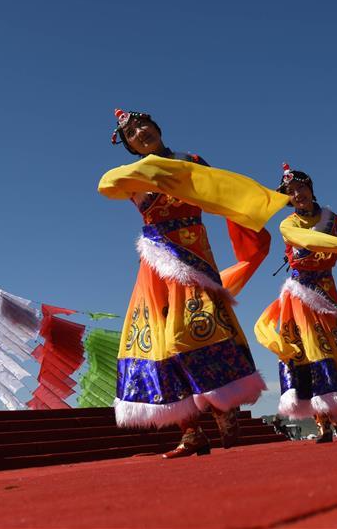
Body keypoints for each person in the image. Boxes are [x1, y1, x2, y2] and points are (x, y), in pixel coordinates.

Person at [98, 109, 287, 458]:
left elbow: (225, 195)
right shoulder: (132, 176)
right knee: (157, 340)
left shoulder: (191, 161)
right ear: (128, 145)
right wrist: (151, 172)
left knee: (198, 328)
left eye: (143, 126)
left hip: (195, 256)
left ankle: (223, 408)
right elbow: (105, 185)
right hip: (157, 260)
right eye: (131, 134)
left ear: (157, 126)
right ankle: (191, 431)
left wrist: (253, 211)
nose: (139, 133)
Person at [254, 164, 337, 443]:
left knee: (334, 347)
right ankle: (323, 424)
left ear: (311, 188)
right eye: (290, 193)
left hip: (327, 291)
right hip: (300, 295)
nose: (297, 195)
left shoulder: (333, 218)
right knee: (309, 349)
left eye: (300, 188)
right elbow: (310, 240)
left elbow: (332, 249)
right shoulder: (288, 224)